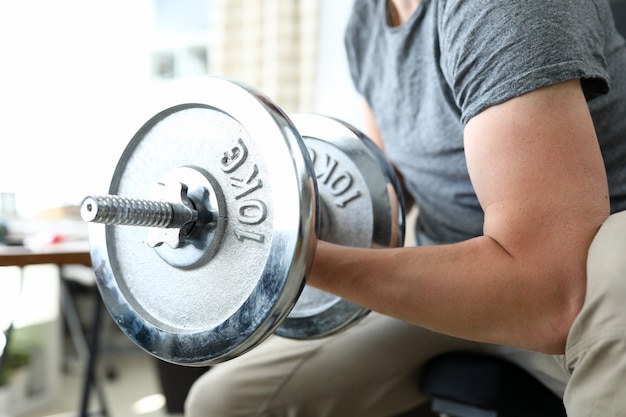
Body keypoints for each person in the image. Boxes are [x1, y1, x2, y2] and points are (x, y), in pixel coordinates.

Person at [185, 0, 626, 416]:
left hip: (578, 295)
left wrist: (284, 254)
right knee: (223, 403)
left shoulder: (499, 10)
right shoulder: (367, 22)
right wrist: (287, 213)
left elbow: (543, 293)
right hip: (453, 277)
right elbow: (386, 182)